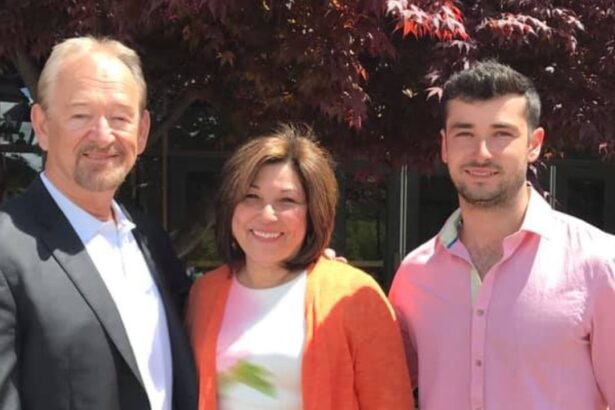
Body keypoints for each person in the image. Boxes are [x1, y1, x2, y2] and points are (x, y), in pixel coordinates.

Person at [389, 60, 615, 409]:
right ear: (445, 146)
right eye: (464, 133)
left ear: (534, 144)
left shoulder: (599, 264)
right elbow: (374, 381)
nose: (481, 153)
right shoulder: (413, 276)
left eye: (502, 134)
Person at [0, 36, 197, 410]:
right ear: (41, 126)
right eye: (80, 115)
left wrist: (297, 270)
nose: (103, 135)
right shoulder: (6, 248)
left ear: (141, 132)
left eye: (121, 117)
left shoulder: (151, 241)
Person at [185, 124, 414, 410]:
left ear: (314, 214)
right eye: (251, 197)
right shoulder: (204, 294)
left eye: (287, 201)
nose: (267, 215)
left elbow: (390, 402)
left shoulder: (354, 296)